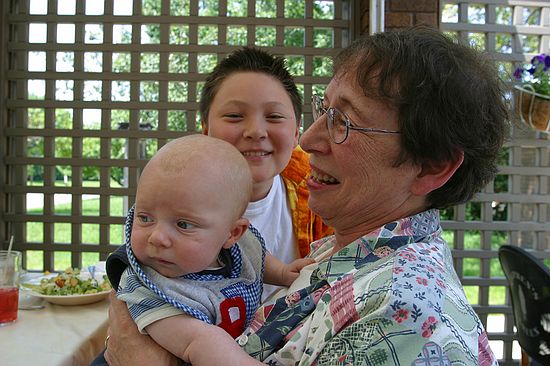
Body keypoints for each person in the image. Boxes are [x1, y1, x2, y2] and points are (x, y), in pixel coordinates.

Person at [102, 25, 509, 365]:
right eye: (323, 110)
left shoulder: (408, 320)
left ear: (432, 166)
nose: (309, 140)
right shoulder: (341, 252)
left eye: (344, 122)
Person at [114, 134, 312, 362]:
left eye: (183, 224)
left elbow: (255, 257)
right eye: (145, 218)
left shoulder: (236, 247)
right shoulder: (147, 288)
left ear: (232, 234)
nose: (157, 237)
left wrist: (282, 273)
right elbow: (198, 342)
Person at [199, 47, 333, 300]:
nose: (256, 131)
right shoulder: (177, 190)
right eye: (234, 116)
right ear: (205, 130)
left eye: (273, 116)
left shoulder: (325, 190)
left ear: (296, 133)